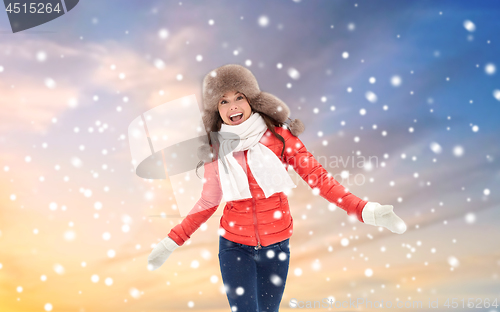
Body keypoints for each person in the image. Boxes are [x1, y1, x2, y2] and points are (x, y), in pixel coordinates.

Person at [147, 64, 407, 312]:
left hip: (277, 245)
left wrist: (366, 211)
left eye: (239, 97)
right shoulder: (216, 150)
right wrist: (171, 242)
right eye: (223, 101)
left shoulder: (281, 137)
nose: (233, 106)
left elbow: (319, 178)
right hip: (233, 247)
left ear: (251, 100)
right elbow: (208, 202)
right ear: (216, 110)